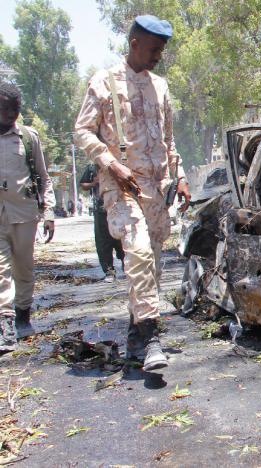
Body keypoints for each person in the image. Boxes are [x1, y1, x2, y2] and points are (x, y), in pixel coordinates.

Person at [74, 15, 191, 371]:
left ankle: (135, 337)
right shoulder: (104, 82)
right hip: (120, 185)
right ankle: (152, 336)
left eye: (162, 50)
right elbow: (83, 132)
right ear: (135, 42)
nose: (158, 56)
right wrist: (111, 164)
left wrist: (181, 175)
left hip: (156, 190)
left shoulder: (161, 86)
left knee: (149, 268)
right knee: (138, 254)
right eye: (154, 49)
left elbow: (168, 139)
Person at [0, 81, 56, 353]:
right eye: (5, 108)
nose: (10, 113)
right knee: (1, 270)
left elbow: (44, 179)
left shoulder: (27, 137)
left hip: (24, 214)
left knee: (23, 268)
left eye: (15, 108)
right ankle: (6, 323)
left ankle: (23, 316)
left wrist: (49, 213)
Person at [80, 163, 124, 283]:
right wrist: (95, 183)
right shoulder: (92, 166)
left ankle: (128, 266)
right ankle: (109, 271)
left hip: (120, 208)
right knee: (103, 242)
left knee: (123, 238)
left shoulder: (119, 161)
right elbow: (83, 184)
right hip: (101, 210)